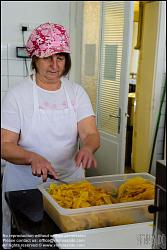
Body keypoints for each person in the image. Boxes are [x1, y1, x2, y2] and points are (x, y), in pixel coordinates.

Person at [1, 22, 100, 239]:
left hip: (69, 184)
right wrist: (31, 157)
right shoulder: (17, 95)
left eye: (61, 58)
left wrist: (89, 148)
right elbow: (5, 146)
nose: (55, 65)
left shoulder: (76, 93)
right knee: (30, 239)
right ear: (35, 58)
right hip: (26, 187)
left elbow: (90, 133)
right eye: (48, 57)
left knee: (71, 240)